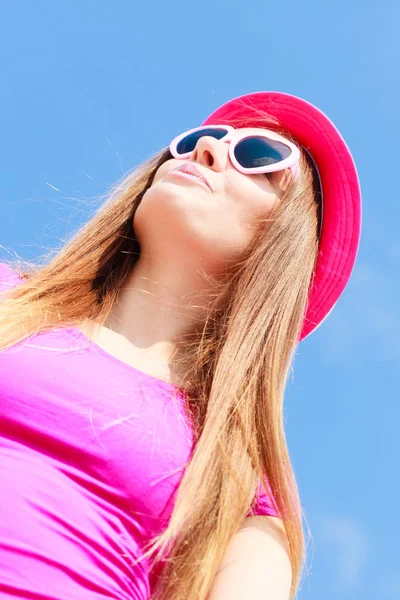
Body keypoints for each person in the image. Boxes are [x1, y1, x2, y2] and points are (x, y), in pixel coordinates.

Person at [0, 91, 361, 600]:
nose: (206, 151)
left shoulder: (236, 486)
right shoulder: (7, 299)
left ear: (285, 240)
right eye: (197, 141)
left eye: (257, 156)